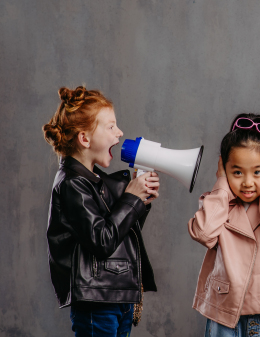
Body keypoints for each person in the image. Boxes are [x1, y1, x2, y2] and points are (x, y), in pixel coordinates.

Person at [43, 86, 160, 337]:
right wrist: (131, 198)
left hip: (115, 295)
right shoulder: (72, 184)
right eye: (110, 127)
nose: (119, 133)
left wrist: (141, 201)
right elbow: (102, 240)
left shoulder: (97, 181)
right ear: (85, 139)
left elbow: (121, 234)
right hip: (98, 300)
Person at [188, 113, 260, 336]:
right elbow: (203, 233)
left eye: (258, 172)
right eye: (236, 172)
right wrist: (221, 186)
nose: (247, 182)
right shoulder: (218, 201)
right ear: (223, 168)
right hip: (224, 313)